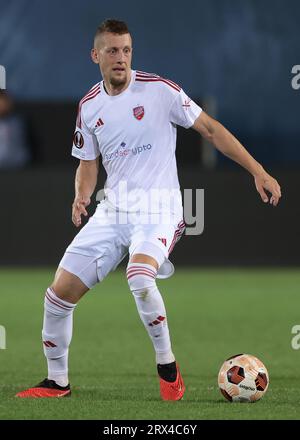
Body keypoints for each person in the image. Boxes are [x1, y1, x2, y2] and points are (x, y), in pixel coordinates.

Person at [16, 19, 281, 400]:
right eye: (111, 50)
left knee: (139, 277)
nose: (120, 58)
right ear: (96, 55)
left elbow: (210, 129)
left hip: (160, 209)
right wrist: (81, 195)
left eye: (126, 50)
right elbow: (87, 162)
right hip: (113, 211)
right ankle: (57, 382)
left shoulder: (160, 91)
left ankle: (167, 366)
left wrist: (258, 171)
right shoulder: (89, 107)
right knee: (57, 296)